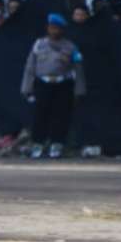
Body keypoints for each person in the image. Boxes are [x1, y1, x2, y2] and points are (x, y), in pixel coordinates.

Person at [21, 13, 86, 159]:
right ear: (48, 28)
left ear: (62, 29)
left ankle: (57, 144)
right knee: (40, 115)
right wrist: (27, 88)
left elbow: (78, 70)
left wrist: (79, 91)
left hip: (63, 85)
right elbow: (30, 67)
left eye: (57, 28)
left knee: (61, 115)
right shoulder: (39, 45)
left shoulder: (70, 47)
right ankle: (38, 143)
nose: (54, 31)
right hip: (43, 84)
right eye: (51, 28)